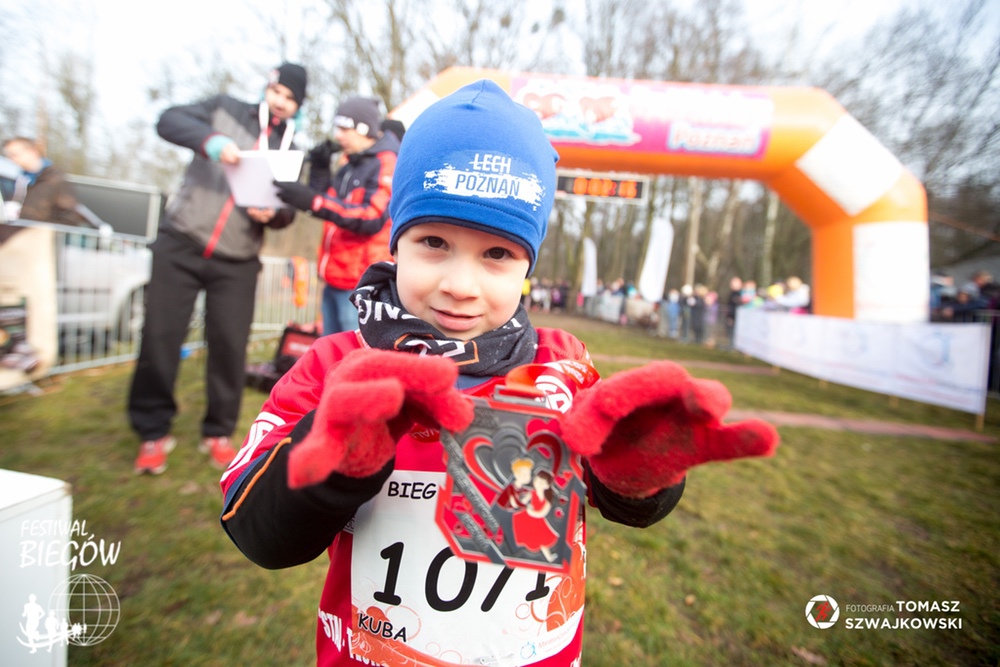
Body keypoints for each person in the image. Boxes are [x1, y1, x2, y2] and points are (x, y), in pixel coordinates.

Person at [219, 80, 778, 666]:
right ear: (396, 243)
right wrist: (335, 458)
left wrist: (639, 476)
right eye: (434, 241)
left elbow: (624, 496)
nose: (461, 284)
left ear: (527, 266)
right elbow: (259, 535)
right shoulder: (334, 366)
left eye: (497, 254)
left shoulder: (561, 369)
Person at [128, 62, 307, 475]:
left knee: (229, 346)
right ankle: (153, 431)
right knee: (159, 337)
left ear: (298, 106)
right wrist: (211, 141)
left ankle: (219, 431)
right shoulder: (224, 109)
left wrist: (273, 215)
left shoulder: (291, 148)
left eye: (290, 98)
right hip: (181, 242)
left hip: (238, 259)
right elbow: (168, 120)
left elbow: (288, 211)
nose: (280, 102)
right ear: (267, 89)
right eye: (277, 91)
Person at [274, 97, 400, 335]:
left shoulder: (386, 162)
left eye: (344, 129)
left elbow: (371, 217)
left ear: (363, 128)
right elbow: (332, 206)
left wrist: (314, 201)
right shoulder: (350, 163)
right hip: (334, 276)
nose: (338, 135)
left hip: (360, 285)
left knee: (354, 354)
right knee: (332, 351)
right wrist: (320, 169)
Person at [2, 137, 87, 226]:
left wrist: (42, 228)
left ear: (32, 152)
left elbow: (68, 218)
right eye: (8, 156)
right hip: (21, 230)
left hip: (40, 232)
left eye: (13, 155)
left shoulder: (55, 180)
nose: (9, 159)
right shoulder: (22, 179)